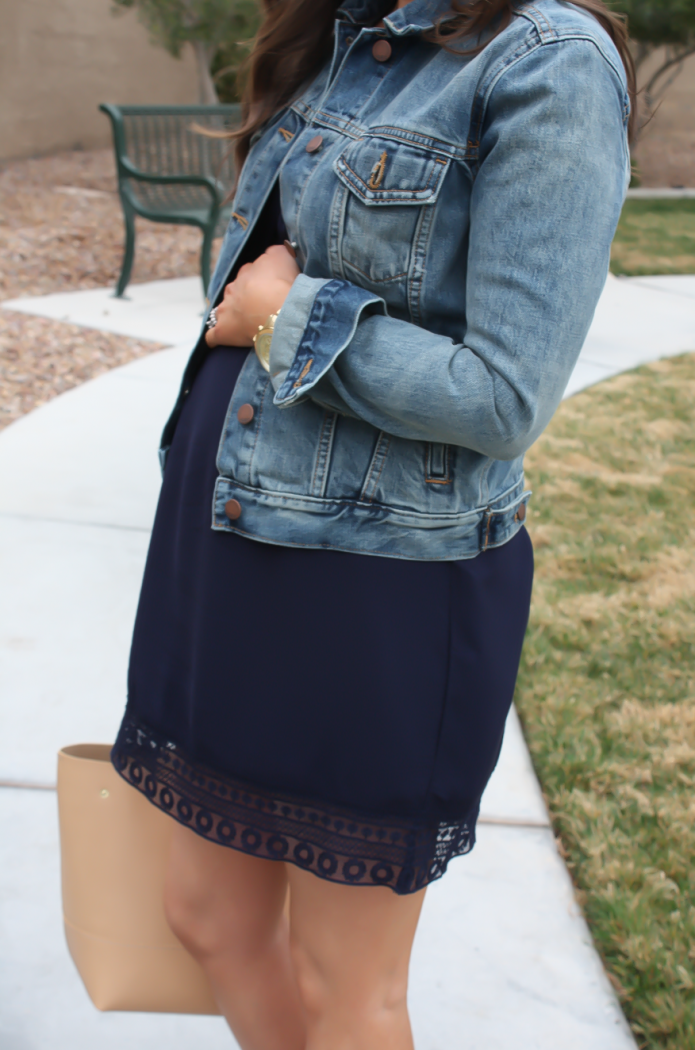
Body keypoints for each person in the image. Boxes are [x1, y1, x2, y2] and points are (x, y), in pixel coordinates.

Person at [111, 0, 634, 1045]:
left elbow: (502, 396)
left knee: (340, 986)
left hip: (372, 579)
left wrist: (280, 316)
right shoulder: (335, 35)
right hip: (223, 540)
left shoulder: (546, 61)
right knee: (205, 918)